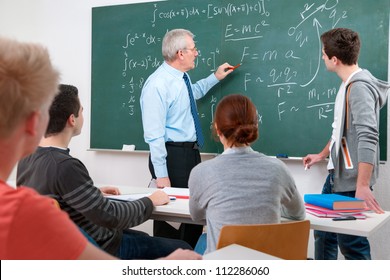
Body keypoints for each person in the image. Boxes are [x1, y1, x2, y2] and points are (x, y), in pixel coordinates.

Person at [0, 36, 200, 260]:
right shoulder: (65, 167)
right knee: (184, 247)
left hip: (90, 238)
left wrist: (92, 194)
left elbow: (60, 198)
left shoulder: (29, 160)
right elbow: (111, 217)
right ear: (72, 119)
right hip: (105, 244)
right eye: (82, 110)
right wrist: (150, 201)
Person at [140, 28, 234, 247]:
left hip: (189, 154)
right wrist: (162, 177)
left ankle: (190, 261)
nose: (197, 53)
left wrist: (215, 77)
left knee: (192, 218)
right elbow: (154, 136)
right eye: (193, 49)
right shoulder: (157, 84)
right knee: (173, 224)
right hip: (172, 157)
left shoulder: (180, 78)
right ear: (180, 53)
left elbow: (193, 93)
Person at [303, 28, 389, 260]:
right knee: (323, 235)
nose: (321, 57)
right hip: (337, 176)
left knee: (351, 244)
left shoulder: (359, 87)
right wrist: (322, 155)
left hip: (350, 182)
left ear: (335, 59)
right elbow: (341, 130)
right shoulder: (347, 84)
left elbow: (368, 135)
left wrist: (361, 185)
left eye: (323, 53)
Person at [188, 94, 306, 254]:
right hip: (266, 266)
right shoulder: (278, 169)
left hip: (222, 269)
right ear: (255, 125)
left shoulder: (201, 172)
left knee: (201, 242)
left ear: (217, 128)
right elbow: (298, 214)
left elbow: (196, 216)